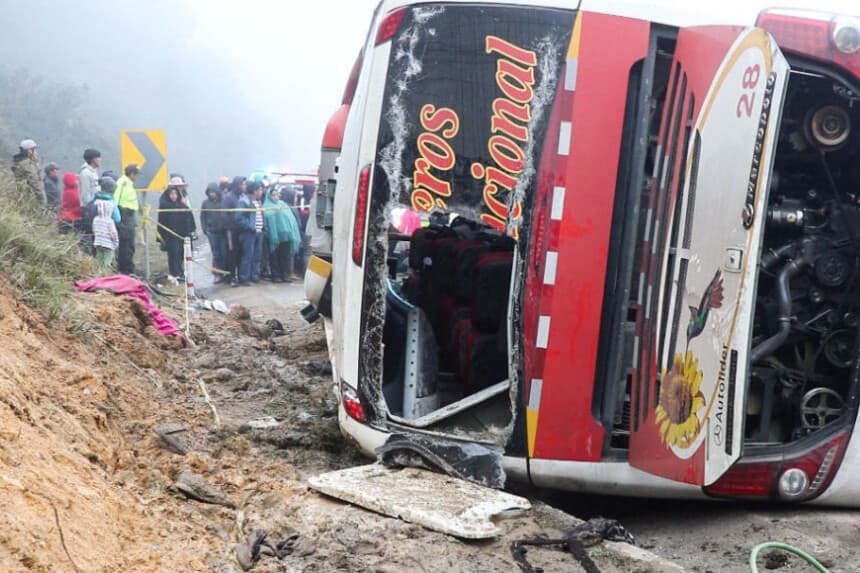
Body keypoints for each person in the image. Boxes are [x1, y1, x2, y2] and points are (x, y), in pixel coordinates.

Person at [158, 178, 196, 282]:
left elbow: (190, 219)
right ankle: (175, 273)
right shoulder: (164, 206)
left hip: (182, 235)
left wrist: (191, 232)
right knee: (173, 254)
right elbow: (161, 222)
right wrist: (161, 237)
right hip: (170, 235)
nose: (174, 196)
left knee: (182, 253)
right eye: (172, 193)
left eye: (176, 193)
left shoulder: (183, 205)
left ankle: (181, 273)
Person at [263, 187, 302, 282]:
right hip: (275, 235)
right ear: (269, 196)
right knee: (275, 256)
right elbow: (268, 217)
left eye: (277, 194)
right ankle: (276, 276)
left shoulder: (283, 204)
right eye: (273, 195)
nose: (276, 197)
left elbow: (290, 218)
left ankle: (285, 275)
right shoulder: (267, 205)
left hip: (286, 235)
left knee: (285, 256)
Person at [234, 181, 264, 286]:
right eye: (260, 190)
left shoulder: (259, 202)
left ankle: (254, 276)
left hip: (259, 233)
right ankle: (244, 278)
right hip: (249, 234)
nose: (261, 192)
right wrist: (251, 227)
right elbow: (239, 217)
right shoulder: (245, 201)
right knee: (247, 256)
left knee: (257, 256)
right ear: (255, 191)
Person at [113, 164, 141, 275]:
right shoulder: (122, 183)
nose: (137, 177)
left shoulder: (128, 183)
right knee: (126, 244)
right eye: (137, 174)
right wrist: (119, 220)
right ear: (132, 174)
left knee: (130, 244)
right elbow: (116, 200)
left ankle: (128, 268)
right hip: (124, 216)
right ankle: (125, 269)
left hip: (129, 215)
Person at [200, 182, 229, 282]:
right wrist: (205, 229)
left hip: (223, 232)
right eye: (210, 192)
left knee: (225, 253)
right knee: (216, 254)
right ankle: (217, 274)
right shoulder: (205, 203)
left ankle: (226, 273)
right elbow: (203, 216)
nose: (212, 194)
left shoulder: (224, 200)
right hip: (212, 232)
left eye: (213, 192)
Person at [91, 184, 121, 272]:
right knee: (107, 261)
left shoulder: (96, 219)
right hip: (108, 244)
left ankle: (97, 273)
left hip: (98, 242)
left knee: (99, 260)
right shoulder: (109, 221)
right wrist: (116, 243)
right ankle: (105, 275)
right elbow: (114, 233)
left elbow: (94, 230)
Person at [222, 176, 246, 284]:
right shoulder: (228, 197)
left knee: (241, 253)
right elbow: (224, 214)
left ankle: (240, 276)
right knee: (231, 253)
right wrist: (232, 225)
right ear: (237, 185)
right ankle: (231, 277)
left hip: (241, 230)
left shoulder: (242, 197)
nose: (244, 186)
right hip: (231, 231)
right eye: (242, 184)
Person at [11, 139, 46, 207]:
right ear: (30, 151)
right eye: (35, 150)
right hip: (29, 200)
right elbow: (35, 184)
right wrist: (43, 201)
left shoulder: (21, 162)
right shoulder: (27, 164)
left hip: (23, 198)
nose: (36, 152)